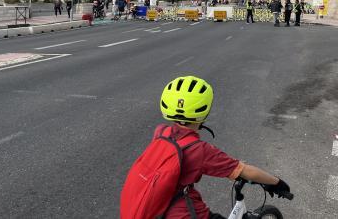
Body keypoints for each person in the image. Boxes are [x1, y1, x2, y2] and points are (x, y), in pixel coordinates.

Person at [121, 76, 291, 219]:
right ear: (204, 112)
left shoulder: (161, 131)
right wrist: (277, 183)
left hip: (153, 206)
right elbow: (246, 171)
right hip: (183, 213)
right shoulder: (200, 150)